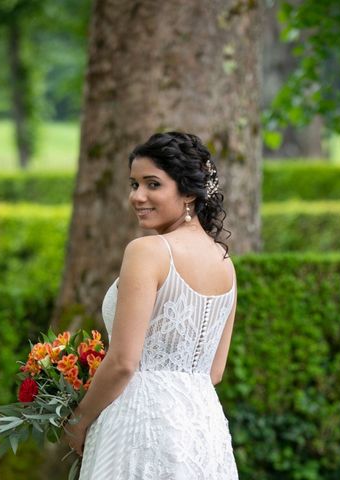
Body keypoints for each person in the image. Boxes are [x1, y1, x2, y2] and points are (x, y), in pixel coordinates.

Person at [65, 132, 239, 479]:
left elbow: (124, 362)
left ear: (189, 191)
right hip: (202, 429)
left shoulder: (147, 251)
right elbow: (214, 371)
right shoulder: (225, 263)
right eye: (134, 184)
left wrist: (79, 420)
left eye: (152, 184)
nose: (137, 196)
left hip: (137, 425)